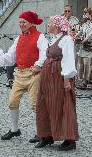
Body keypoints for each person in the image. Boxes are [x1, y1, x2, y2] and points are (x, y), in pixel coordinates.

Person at [0, 11, 48, 143]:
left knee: (35, 104)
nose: (21, 24)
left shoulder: (40, 37)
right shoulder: (18, 38)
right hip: (20, 74)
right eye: (20, 22)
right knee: (12, 101)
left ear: (31, 23)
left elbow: (45, 53)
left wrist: (38, 65)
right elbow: (10, 57)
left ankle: (41, 132)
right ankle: (15, 129)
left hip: (34, 74)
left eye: (24, 22)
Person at [35, 15, 78, 151]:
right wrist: (38, 67)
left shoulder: (66, 40)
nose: (48, 25)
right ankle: (47, 135)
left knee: (62, 105)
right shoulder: (54, 39)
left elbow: (68, 61)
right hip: (48, 76)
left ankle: (69, 139)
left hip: (59, 76)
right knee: (44, 103)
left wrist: (67, 80)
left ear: (58, 25)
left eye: (50, 23)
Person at [75, 7, 92, 90]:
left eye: (86, 13)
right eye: (84, 13)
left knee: (91, 65)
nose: (84, 14)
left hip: (90, 47)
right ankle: (84, 82)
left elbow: (91, 35)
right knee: (82, 65)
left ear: (91, 14)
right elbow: (79, 33)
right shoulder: (84, 24)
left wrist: (84, 40)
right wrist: (74, 37)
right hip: (83, 47)